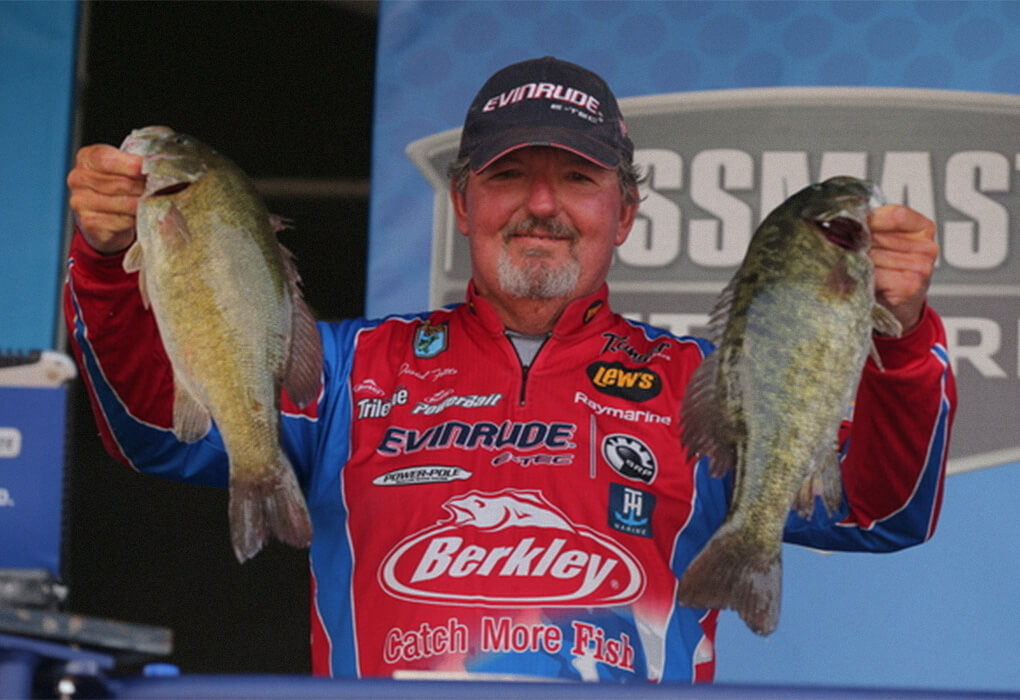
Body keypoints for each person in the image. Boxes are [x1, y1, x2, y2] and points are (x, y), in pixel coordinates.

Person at [64, 56, 956, 682]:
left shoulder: (706, 386)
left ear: (626, 209)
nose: (541, 204)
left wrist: (906, 334)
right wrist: (109, 261)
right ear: (461, 203)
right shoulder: (346, 370)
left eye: (575, 176)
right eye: (509, 175)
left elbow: (882, 512)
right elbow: (151, 433)